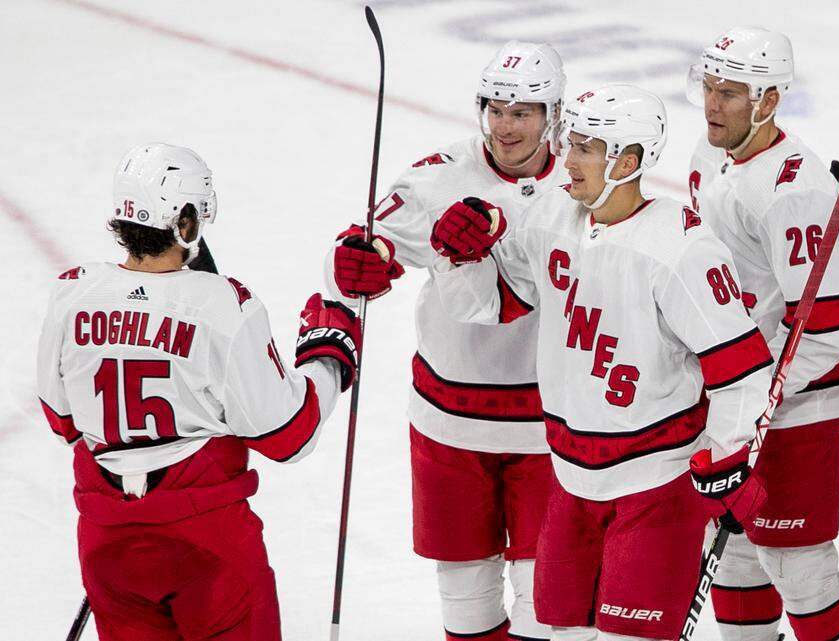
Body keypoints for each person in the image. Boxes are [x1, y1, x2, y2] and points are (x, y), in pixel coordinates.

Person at [429, 83, 776, 641]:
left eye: (586, 148)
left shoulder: (679, 247)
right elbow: (490, 301)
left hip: (654, 485)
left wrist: (728, 456)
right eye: (573, 144)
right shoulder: (549, 218)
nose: (568, 160)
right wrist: (458, 257)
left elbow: (740, 370)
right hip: (568, 482)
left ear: (628, 160)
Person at [36, 143, 361, 640]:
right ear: (186, 222)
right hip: (206, 545)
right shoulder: (223, 304)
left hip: (108, 546)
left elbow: (62, 421)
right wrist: (327, 359)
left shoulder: (71, 291)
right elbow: (288, 434)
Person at [324, 41, 566, 641]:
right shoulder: (438, 174)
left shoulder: (580, 187)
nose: (506, 126)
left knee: (545, 598)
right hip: (448, 420)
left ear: (553, 115)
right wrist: (361, 259)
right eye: (496, 109)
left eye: (524, 112)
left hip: (550, 422)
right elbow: (369, 245)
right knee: (465, 595)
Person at [687, 27, 839, 641]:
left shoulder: (794, 191)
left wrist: (758, 397)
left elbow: (830, 330)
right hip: (736, 386)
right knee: (734, 548)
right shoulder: (711, 152)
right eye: (710, 87)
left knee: (798, 564)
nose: (713, 105)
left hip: (801, 394)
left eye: (731, 93)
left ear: (768, 101)